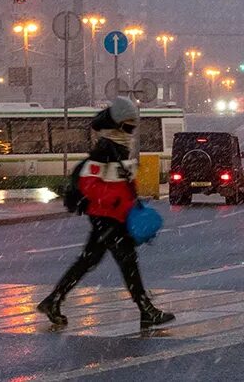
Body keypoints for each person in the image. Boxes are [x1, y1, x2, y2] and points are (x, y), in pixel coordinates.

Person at [37, 97, 174, 330]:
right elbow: (90, 183)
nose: (132, 132)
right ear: (117, 126)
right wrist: (118, 202)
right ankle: (146, 310)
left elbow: (117, 181)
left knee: (89, 261)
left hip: (112, 216)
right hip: (108, 217)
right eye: (129, 127)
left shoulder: (117, 148)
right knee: (127, 262)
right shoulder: (105, 150)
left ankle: (54, 300)